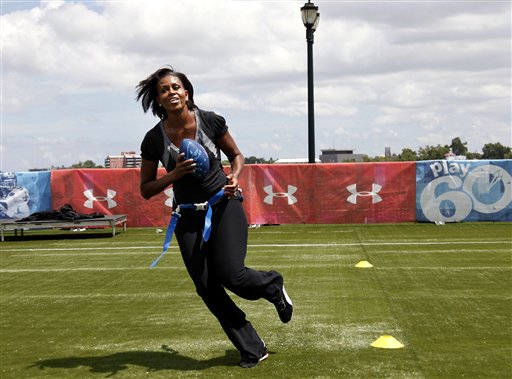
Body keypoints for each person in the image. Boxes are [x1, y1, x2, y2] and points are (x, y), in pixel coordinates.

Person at [136, 67, 293, 368]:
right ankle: (252, 347)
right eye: (164, 90)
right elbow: (145, 189)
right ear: (158, 99)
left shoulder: (209, 121)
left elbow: (236, 155)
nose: (172, 92)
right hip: (187, 217)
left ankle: (272, 285)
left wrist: (234, 177)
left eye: (176, 87)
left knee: (231, 275)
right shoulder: (153, 139)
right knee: (207, 287)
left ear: (187, 91)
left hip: (224, 205)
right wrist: (174, 174)